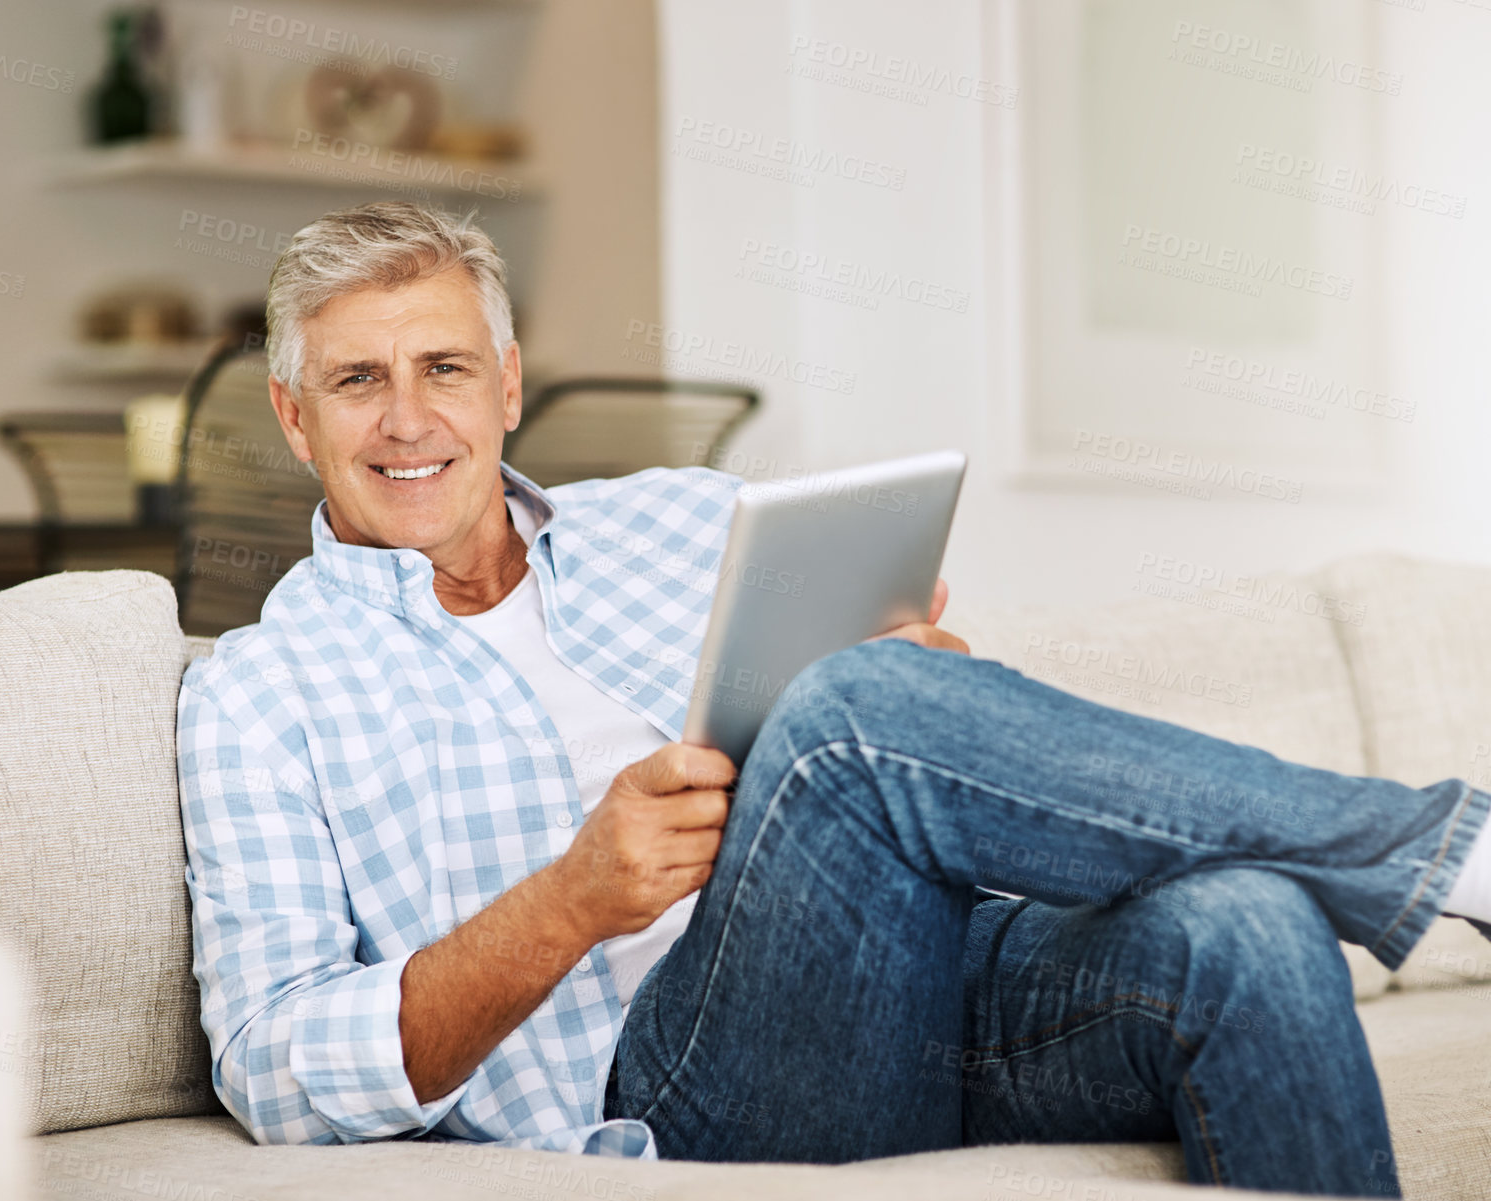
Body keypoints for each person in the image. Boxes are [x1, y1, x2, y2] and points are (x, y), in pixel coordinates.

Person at [176, 201, 1491, 1196]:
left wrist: (936, 697)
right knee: (844, 722)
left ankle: (1410, 853)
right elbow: (271, 1062)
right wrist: (572, 897)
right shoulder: (259, 695)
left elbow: (881, 728)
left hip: (928, 978)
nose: (410, 420)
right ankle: (1440, 846)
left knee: (1247, 925)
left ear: (507, 385)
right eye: (359, 381)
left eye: (446, 369)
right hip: (675, 1089)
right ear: (297, 419)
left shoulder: (688, 522)